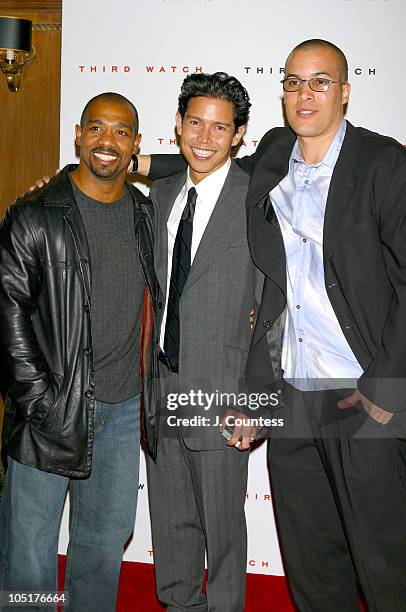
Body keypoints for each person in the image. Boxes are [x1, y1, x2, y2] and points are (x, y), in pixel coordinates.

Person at [140, 40, 406, 611]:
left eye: (320, 82)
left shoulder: (385, 163)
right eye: (294, 82)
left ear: (345, 92)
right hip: (291, 396)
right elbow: (198, 167)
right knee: (313, 565)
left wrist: (384, 390)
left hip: (364, 395)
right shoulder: (274, 153)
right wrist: (109, 166)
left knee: (385, 565)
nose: (305, 94)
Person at [0, 92, 158, 612]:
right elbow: (8, 313)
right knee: (28, 551)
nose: (106, 142)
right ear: (78, 134)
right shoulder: (34, 214)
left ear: (135, 144)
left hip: (120, 409)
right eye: (97, 128)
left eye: (120, 132)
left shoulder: (144, 213)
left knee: (102, 543)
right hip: (49, 412)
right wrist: (38, 400)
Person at [143, 72, 264, 612]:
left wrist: (257, 398)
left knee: (224, 535)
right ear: (178, 124)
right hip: (160, 386)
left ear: (239, 135)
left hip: (223, 391)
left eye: (221, 128)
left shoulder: (260, 199)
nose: (205, 138)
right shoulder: (161, 194)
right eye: (196, 122)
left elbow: (278, 309)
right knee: (171, 531)